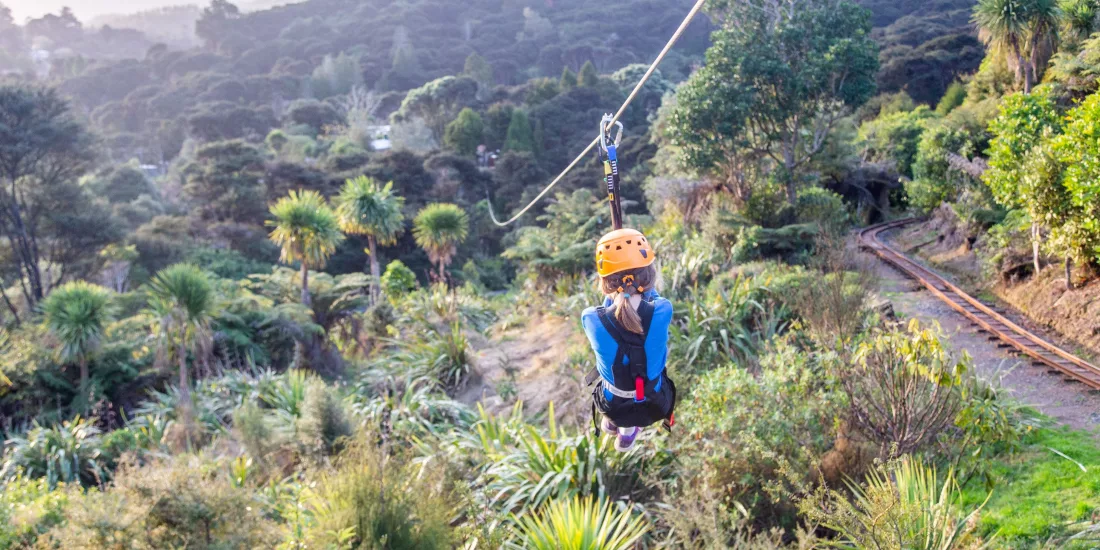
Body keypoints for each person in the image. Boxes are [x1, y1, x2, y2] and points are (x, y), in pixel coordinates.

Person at [581, 228, 676, 452]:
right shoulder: (663, 309)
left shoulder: (590, 318)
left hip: (611, 404)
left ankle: (614, 425)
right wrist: (634, 285)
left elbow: (608, 309)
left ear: (606, 283)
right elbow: (651, 298)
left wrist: (618, 287)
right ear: (649, 274)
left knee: (615, 385)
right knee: (638, 382)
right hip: (654, 401)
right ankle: (626, 435)